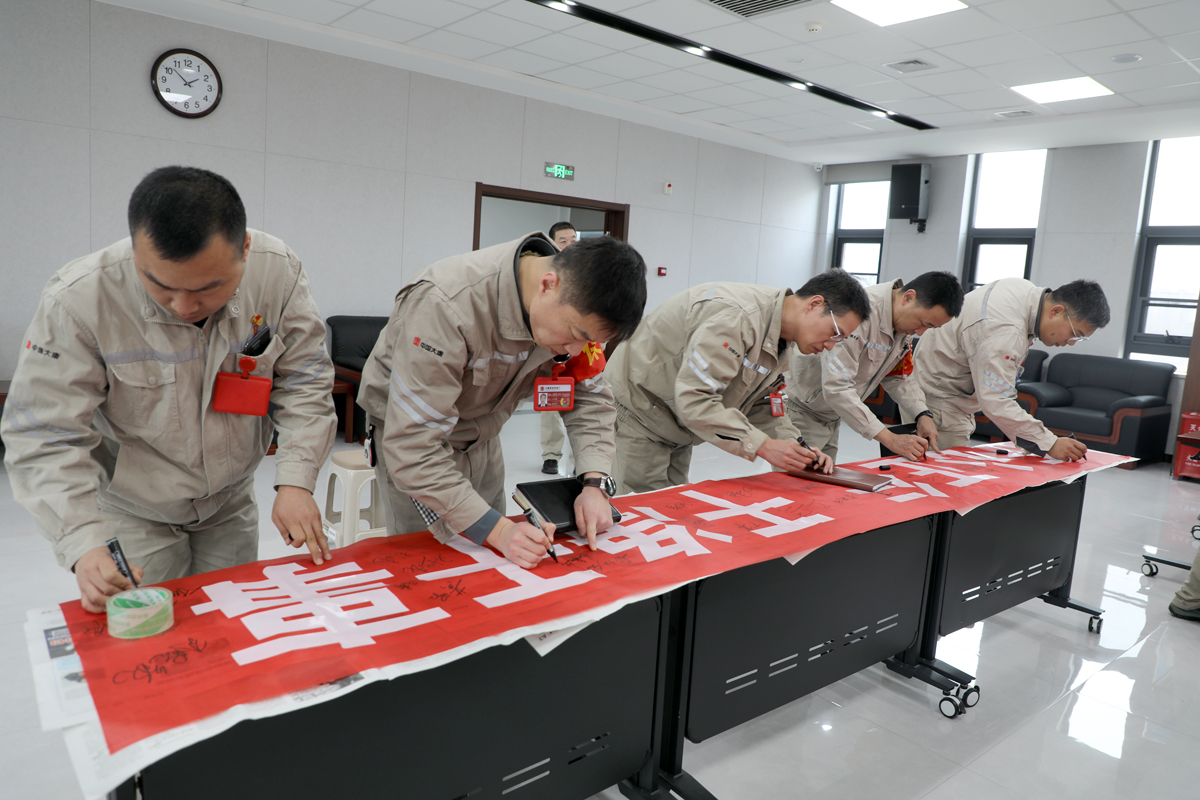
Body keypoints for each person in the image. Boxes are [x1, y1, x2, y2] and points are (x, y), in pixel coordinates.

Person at [1, 166, 336, 613]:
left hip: (229, 502)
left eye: (208, 289)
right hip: (135, 509)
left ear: (245, 250)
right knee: (152, 633)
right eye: (160, 286)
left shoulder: (277, 273)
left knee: (230, 622)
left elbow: (305, 379)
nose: (183, 306)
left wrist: (296, 480)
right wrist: (82, 540)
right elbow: (45, 433)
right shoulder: (81, 300)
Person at [356, 233, 646, 569]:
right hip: (417, 447)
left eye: (589, 341)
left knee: (490, 564)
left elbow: (590, 398)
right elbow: (413, 448)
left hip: (484, 438)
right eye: (576, 335)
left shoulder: (575, 310)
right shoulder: (445, 305)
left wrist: (594, 484)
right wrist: (500, 531)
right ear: (548, 285)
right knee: (430, 568)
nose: (575, 351)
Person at [607, 270, 870, 494]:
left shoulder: (782, 339)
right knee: (640, 511)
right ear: (814, 304)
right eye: (835, 333)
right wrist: (763, 446)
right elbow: (696, 399)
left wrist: (797, 448)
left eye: (840, 340)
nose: (830, 346)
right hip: (640, 411)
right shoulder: (737, 319)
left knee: (669, 505)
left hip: (676, 422)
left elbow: (764, 403)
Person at [911, 277, 1110, 460]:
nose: (1071, 343)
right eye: (1075, 334)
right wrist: (1049, 443)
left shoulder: (1024, 290)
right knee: (938, 476)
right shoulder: (1005, 329)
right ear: (1056, 311)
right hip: (940, 400)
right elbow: (996, 399)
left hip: (942, 383)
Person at [787, 272, 964, 463]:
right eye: (923, 323)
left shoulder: (903, 326)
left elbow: (899, 376)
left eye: (930, 328)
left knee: (821, 478)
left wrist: (922, 413)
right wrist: (890, 439)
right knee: (799, 479)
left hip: (833, 415)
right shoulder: (859, 313)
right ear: (908, 297)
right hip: (804, 412)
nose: (920, 333)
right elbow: (837, 387)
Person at [540, 221, 578, 475]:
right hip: (553, 347)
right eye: (563, 240)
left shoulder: (588, 271)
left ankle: (580, 460)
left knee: (584, 405)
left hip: (582, 348)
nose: (570, 244)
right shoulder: (546, 273)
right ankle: (551, 455)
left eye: (573, 239)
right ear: (553, 243)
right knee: (552, 402)